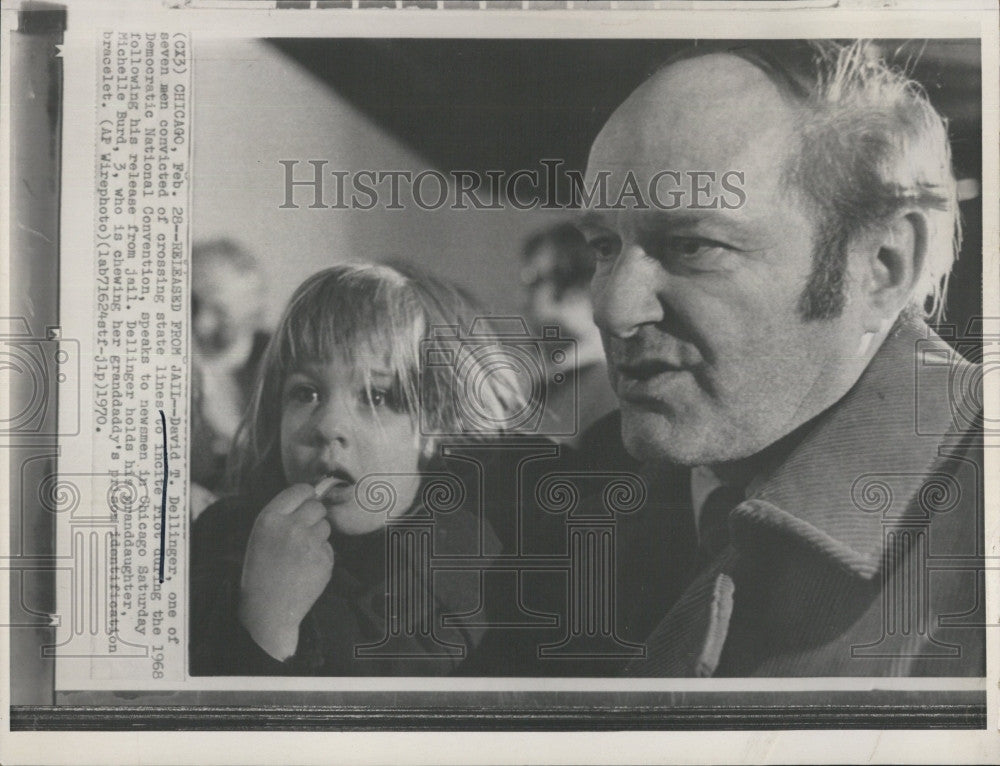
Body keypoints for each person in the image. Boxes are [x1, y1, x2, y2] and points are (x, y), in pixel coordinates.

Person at [567, 40, 984, 677]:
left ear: (881, 266)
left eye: (692, 246)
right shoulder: (566, 498)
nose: (615, 309)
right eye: (603, 245)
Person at [190, 263, 524, 675]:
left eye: (376, 396)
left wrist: (272, 621)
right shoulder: (224, 537)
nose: (328, 426)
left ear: (436, 426)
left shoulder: (465, 566)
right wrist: (257, 611)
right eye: (305, 392)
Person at [189, 239, 270, 513]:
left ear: (253, 305)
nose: (202, 323)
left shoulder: (281, 360)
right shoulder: (169, 362)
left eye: (220, 309)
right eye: (195, 305)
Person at [520, 222, 619, 445]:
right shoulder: (556, 380)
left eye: (533, 279)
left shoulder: (607, 384)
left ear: (576, 283)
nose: (524, 301)